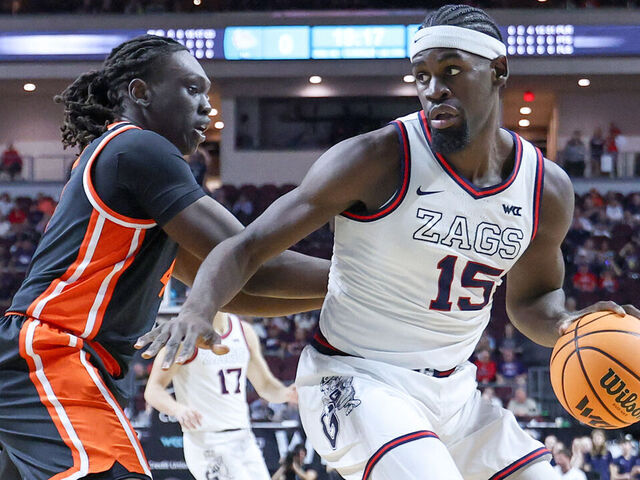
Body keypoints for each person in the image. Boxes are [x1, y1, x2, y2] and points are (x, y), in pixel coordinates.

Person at [138, 5, 640, 480]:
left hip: (456, 393)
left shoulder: (545, 189)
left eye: (450, 71)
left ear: (498, 70)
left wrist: (568, 324)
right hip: (355, 379)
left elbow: (532, 300)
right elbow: (248, 246)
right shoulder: (378, 157)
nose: (433, 89)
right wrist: (199, 308)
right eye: (421, 76)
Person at [0, 34, 329, 480]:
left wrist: (340, 297)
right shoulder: (139, 148)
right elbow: (253, 257)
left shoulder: (131, 166)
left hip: (54, 360)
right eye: (192, 89)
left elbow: (236, 286)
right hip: (55, 353)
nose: (207, 106)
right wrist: (378, 281)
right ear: (140, 92)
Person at [144, 312, 296, 480]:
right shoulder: (185, 337)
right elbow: (153, 389)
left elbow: (265, 385)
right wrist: (177, 409)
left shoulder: (244, 332)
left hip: (244, 437)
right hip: (207, 440)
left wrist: (287, 393)